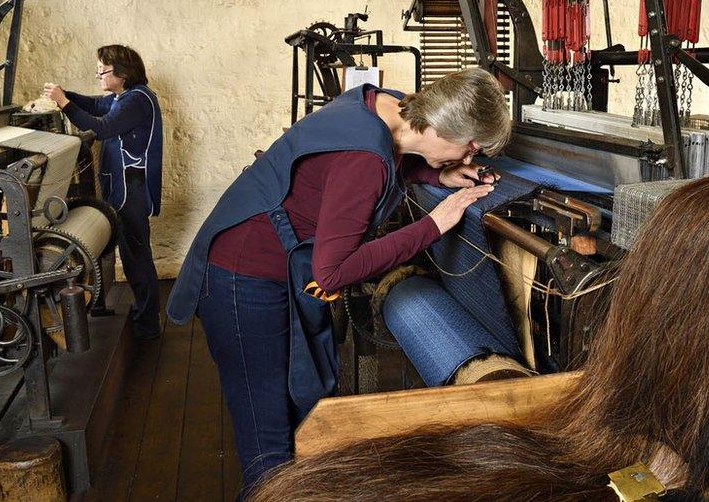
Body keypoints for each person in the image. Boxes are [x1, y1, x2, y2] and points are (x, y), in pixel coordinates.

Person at [166, 67, 510, 495]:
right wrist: (435, 224)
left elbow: (391, 160)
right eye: (469, 147)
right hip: (241, 277)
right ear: (442, 123)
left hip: (255, 262)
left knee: (301, 414)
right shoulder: (365, 158)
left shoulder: (386, 105)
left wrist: (435, 176)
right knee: (269, 443)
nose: (467, 159)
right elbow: (333, 270)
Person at [43, 44, 163, 340]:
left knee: (136, 254)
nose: (98, 74)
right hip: (124, 185)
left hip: (130, 187)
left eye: (103, 70)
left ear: (122, 74)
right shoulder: (124, 97)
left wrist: (64, 103)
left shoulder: (136, 100)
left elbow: (103, 127)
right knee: (132, 251)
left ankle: (148, 324)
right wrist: (65, 95)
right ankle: (144, 315)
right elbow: (97, 105)